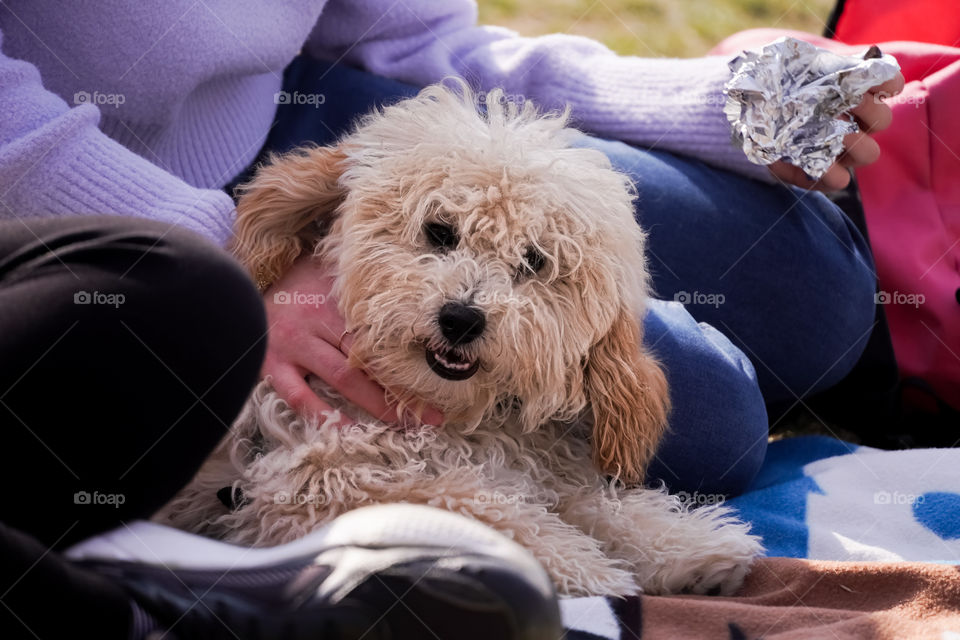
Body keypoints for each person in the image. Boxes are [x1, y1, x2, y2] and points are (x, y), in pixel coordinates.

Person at [0, 1, 903, 638]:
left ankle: (539, 337)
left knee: (817, 290)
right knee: (715, 418)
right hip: (67, 182)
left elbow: (421, 43)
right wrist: (240, 260)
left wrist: (713, 107)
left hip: (286, 114)